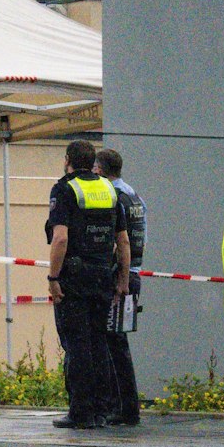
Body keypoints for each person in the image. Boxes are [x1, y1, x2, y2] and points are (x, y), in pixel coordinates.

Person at [44, 139, 130, 430]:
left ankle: (80, 412)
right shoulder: (109, 189)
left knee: (77, 345)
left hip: (74, 278)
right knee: (99, 342)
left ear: (68, 159)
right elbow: (123, 241)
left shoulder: (64, 189)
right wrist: (122, 278)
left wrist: (53, 278)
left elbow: (60, 238)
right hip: (103, 276)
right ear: (92, 162)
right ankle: (101, 411)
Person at [94, 147, 146, 426]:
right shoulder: (133, 194)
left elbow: (120, 241)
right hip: (132, 273)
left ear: (100, 170)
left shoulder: (113, 197)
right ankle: (127, 407)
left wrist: (119, 278)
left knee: (113, 345)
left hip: (119, 277)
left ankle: (123, 408)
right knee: (118, 342)